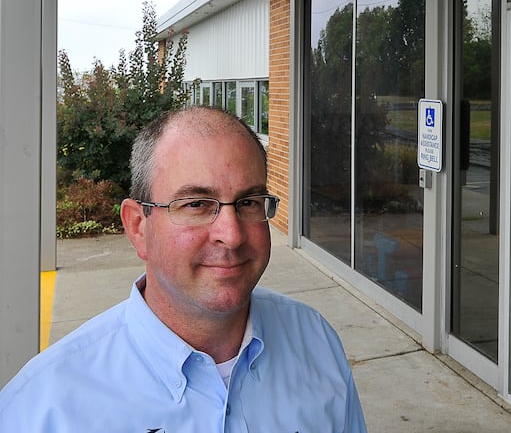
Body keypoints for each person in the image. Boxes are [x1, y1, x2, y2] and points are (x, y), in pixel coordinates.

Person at [0, 106, 367, 432]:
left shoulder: (315, 340)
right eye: (196, 204)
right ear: (137, 226)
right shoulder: (43, 409)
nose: (231, 234)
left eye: (249, 202)